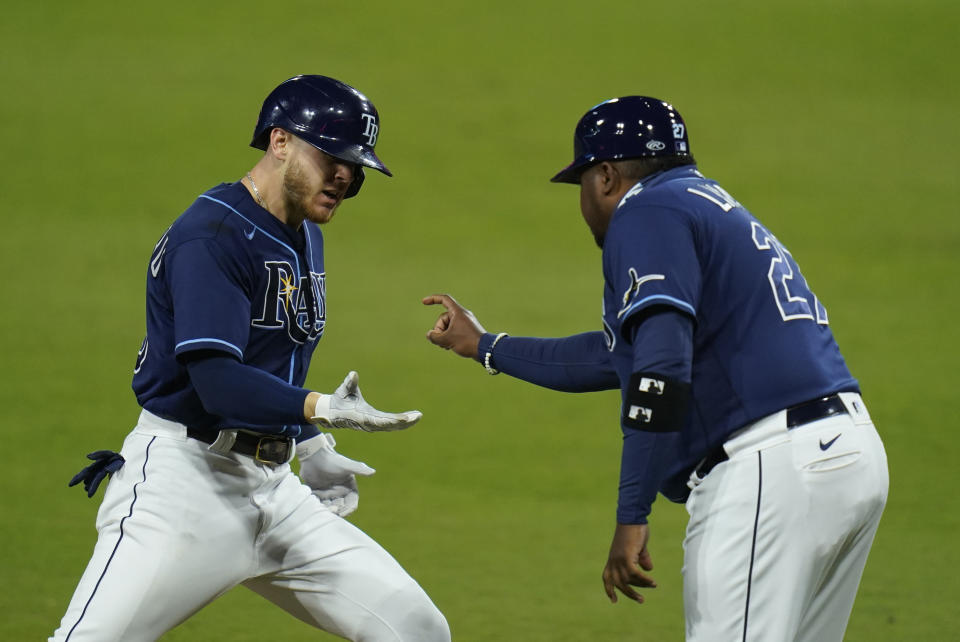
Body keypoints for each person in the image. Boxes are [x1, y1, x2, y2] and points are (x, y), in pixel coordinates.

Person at [423, 96, 888, 641]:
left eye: (581, 186)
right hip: (847, 455)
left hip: (772, 471)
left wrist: (632, 513)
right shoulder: (707, 204)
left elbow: (661, 369)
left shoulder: (645, 212)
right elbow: (614, 355)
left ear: (606, 176)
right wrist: (486, 346)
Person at [52, 75, 450, 642]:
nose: (346, 175)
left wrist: (308, 443)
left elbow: (275, 352)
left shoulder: (302, 229)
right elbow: (216, 381)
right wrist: (322, 410)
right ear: (280, 141)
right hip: (183, 487)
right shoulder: (212, 236)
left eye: (356, 165)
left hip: (274, 490)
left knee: (417, 629)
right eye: (331, 156)